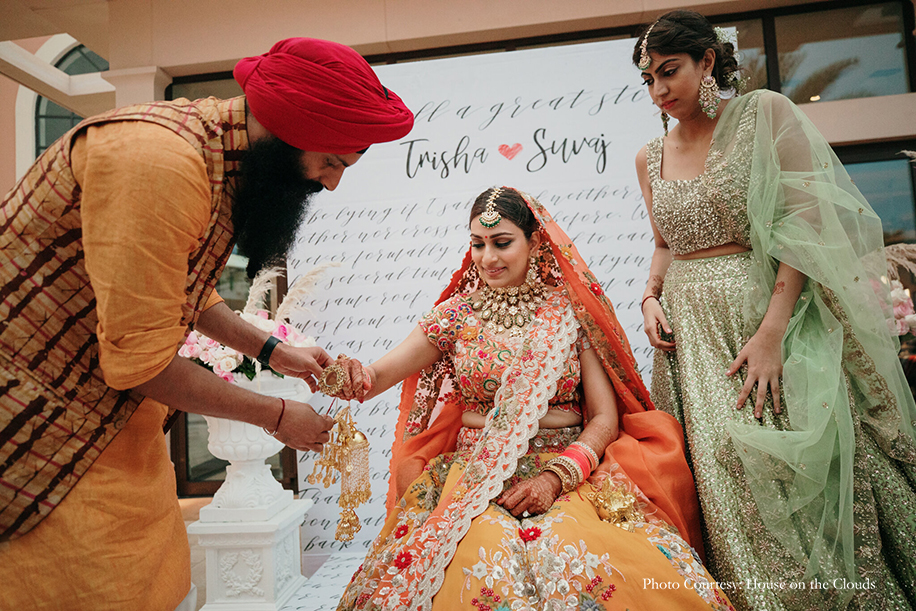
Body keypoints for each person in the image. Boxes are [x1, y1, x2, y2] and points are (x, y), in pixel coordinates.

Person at [0, 38, 413, 610]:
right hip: (39, 432)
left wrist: (272, 351)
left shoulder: (214, 157)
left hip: (111, 428)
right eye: (331, 161)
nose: (331, 183)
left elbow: (183, 290)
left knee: (160, 583)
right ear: (287, 130)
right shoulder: (159, 164)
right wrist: (275, 416)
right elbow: (140, 363)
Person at [321, 187, 734, 610]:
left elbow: (604, 418)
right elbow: (376, 377)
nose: (488, 258)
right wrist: (343, 374)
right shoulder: (455, 315)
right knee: (478, 557)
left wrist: (555, 478)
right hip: (474, 476)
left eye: (502, 243)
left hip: (567, 474)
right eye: (478, 244)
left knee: (586, 555)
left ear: (534, 242)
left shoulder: (570, 312)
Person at [633, 10, 916, 610]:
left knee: (788, 466)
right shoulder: (649, 156)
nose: (659, 90)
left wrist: (772, 333)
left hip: (762, 318)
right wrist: (650, 296)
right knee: (720, 473)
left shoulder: (763, 114)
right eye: (648, 79)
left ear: (708, 60)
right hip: (689, 337)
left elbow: (803, 222)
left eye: (669, 71)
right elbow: (663, 242)